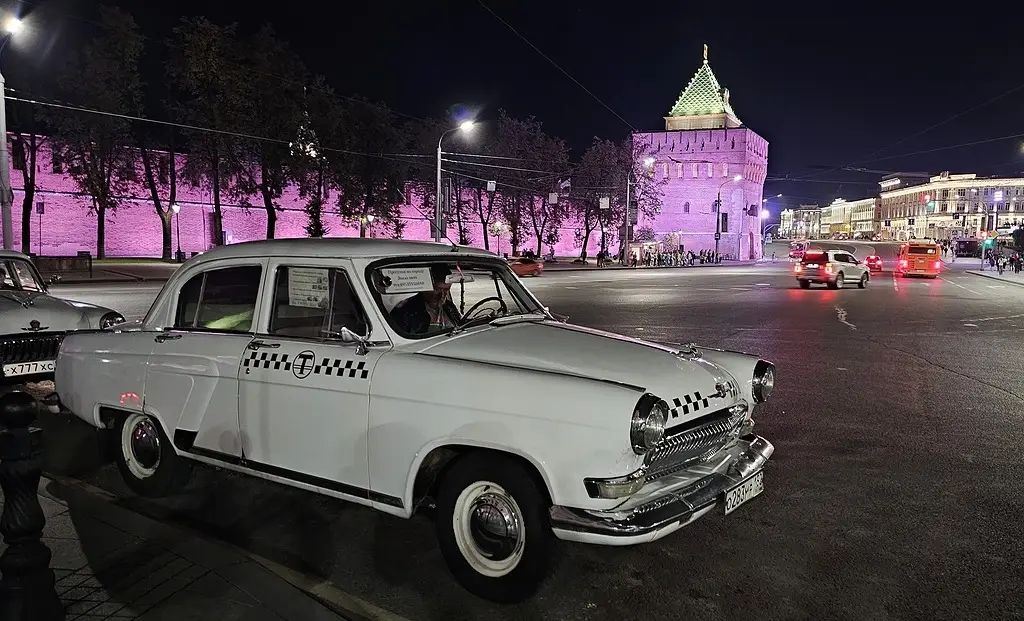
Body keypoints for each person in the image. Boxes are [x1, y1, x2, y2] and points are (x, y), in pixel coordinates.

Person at [390, 263, 461, 335]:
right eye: (437, 289)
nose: (442, 295)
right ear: (424, 288)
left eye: (446, 290)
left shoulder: (450, 307)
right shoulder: (404, 311)